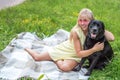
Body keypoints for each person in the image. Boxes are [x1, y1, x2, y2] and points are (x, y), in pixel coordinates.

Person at [25, 8, 114, 72]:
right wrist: (94, 49)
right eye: (80, 20)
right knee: (37, 58)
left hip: (77, 55)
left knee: (65, 68)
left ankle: (56, 60)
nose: (82, 23)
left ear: (91, 21)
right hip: (67, 50)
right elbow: (79, 52)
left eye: (85, 21)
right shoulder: (76, 32)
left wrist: (99, 27)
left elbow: (112, 38)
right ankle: (26, 48)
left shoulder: (93, 30)